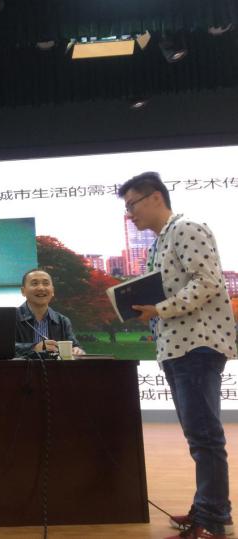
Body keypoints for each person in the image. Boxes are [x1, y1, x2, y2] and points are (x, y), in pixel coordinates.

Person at [118, 171, 235, 539]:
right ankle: (208, 508)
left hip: (197, 345)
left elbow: (209, 282)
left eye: (132, 205)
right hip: (176, 347)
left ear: (155, 197)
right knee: (199, 434)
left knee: (205, 435)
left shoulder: (186, 228)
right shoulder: (158, 244)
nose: (130, 214)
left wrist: (160, 308)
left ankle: (213, 520)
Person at [15, 269, 85, 358]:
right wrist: (34, 348)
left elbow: (75, 346)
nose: (41, 288)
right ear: (23, 291)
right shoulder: (10, 318)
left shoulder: (62, 321)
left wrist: (77, 350)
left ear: (52, 291)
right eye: (35, 283)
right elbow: (1, 348)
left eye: (46, 283)